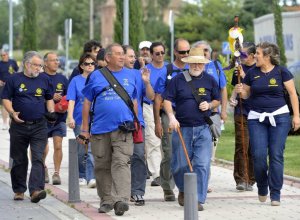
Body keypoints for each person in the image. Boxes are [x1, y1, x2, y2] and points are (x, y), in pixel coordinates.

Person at [235, 42, 300, 206]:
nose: (254, 56)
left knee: (276, 155)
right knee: (258, 156)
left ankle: (275, 193)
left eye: (257, 53)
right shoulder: (252, 73)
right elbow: (246, 96)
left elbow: (293, 94)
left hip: (280, 117)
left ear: (267, 56)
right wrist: (240, 91)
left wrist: (297, 116)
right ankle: (262, 187)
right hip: (256, 118)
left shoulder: (281, 71)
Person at [79, 43, 138, 216]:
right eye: (118, 54)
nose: (122, 57)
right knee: (102, 165)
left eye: (123, 54)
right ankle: (106, 200)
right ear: (108, 58)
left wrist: (137, 122)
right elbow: (87, 102)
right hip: (99, 129)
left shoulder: (132, 76)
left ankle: (121, 200)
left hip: (124, 129)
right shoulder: (96, 76)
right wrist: (84, 129)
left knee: (121, 163)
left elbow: (133, 100)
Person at [162, 47, 220, 211]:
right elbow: (167, 100)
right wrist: (171, 118)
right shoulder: (177, 80)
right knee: (180, 165)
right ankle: (183, 189)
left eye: (200, 63)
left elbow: (217, 100)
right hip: (182, 128)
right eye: (194, 63)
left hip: (203, 128)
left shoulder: (210, 80)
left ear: (203, 64)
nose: (196, 66)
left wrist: (209, 104)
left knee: (202, 164)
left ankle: (198, 199)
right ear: (188, 63)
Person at [1, 51, 55, 203]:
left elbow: (49, 98)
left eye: (41, 66)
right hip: (19, 126)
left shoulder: (45, 79)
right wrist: (12, 113)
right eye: (37, 65)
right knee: (19, 159)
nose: (40, 68)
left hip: (39, 125)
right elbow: (5, 98)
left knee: (38, 157)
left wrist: (51, 112)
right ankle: (19, 190)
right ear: (27, 64)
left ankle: (36, 190)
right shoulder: (13, 79)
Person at [154, 38, 190, 201]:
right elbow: (158, 98)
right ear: (175, 52)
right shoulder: (166, 70)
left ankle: (186, 187)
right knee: (169, 153)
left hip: (189, 115)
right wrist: (157, 122)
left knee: (187, 152)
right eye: (182, 52)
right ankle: (167, 187)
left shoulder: (193, 68)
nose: (186, 55)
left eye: (188, 52)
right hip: (169, 114)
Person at [123, 45, 155, 206]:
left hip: (136, 123)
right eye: (130, 56)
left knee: (138, 156)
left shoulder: (139, 74)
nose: (133, 59)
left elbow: (150, 96)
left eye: (133, 56)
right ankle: (121, 191)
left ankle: (137, 192)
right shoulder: (109, 75)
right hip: (116, 124)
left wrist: (147, 82)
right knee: (120, 159)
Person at [192, 41, 228, 160]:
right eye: (201, 50)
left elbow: (223, 89)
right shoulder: (190, 68)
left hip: (212, 113)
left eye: (206, 50)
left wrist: (223, 111)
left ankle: (205, 173)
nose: (204, 53)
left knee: (211, 147)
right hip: (193, 114)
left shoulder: (216, 66)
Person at [67, 53, 96, 188]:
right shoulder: (75, 81)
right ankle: (81, 175)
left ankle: (91, 177)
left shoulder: (98, 79)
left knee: (91, 149)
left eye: (92, 63)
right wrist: (70, 117)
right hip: (79, 119)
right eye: (87, 64)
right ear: (81, 66)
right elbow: (71, 100)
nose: (90, 66)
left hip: (96, 119)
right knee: (81, 149)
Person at [229, 42, 256, 191]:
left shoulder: (258, 69)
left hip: (257, 112)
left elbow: (255, 86)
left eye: (244, 55)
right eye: (240, 54)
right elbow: (237, 87)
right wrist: (233, 98)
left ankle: (251, 179)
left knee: (254, 147)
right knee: (241, 145)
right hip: (242, 112)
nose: (241, 57)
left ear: (252, 55)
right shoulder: (237, 69)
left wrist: (244, 75)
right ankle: (240, 179)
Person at [43, 52, 69, 185]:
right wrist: (51, 98)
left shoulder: (63, 78)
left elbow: (69, 97)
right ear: (45, 63)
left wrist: (63, 103)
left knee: (58, 145)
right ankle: (43, 168)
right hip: (42, 119)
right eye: (53, 60)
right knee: (42, 147)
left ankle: (57, 173)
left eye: (57, 60)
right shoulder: (40, 78)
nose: (57, 62)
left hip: (59, 118)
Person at [144, 42, 167, 187]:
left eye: (162, 53)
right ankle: (157, 174)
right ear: (152, 55)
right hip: (149, 105)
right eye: (157, 53)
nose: (160, 56)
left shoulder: (168, 68)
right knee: (153, 139)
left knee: (166, 140)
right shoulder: (146, 70)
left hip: (167, 106)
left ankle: (166, 172)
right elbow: (150, 95)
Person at [0, 50, 19, 130]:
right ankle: (4, 123)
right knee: (4, 104)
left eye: (5, 55)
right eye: (2, 55)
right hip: (3, 86)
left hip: (13, 85)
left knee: (13, 103)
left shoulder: (13, 62)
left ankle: (12, 121)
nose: (4, 56)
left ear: (8, 54)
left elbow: (17, 71)